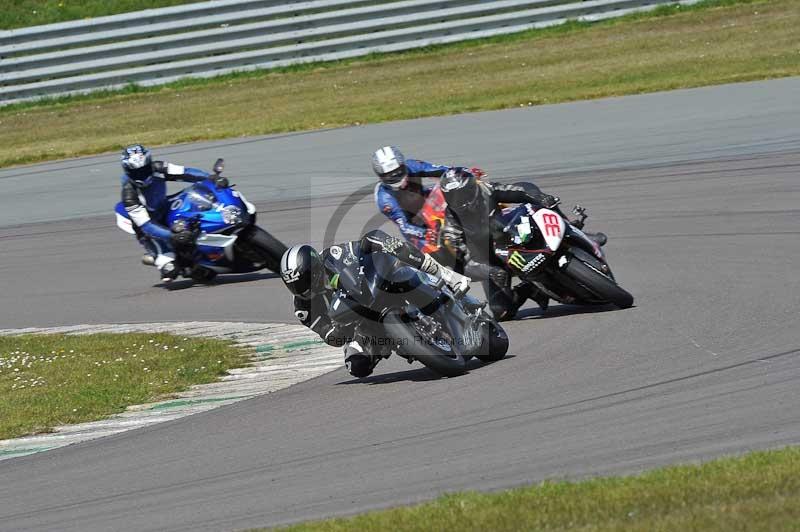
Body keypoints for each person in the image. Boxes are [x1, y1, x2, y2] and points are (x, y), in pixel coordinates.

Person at [280, 230, 471, 378]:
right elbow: (328, 334)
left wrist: (384, 244)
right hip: (359, 324)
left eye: (304, 282)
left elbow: (363, 249)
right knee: (356, 366)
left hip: (375, 289)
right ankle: (395, 343)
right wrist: (337, 332)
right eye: (295, 286)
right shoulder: (303, 308)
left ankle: (447, 276)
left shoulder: (334, 256)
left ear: (314, 269)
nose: (303, 290)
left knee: (394, 249)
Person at [440, 168, 607, 321]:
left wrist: (540, 198)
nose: (458, 200)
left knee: (543, 204)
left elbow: (516, 190)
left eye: (461, 194)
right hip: (492, 260)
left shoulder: (486, 190)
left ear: (471, 188)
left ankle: (576, 232)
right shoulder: (451, 221)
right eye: (452, 196)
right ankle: (530, 288)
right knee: (502, 313)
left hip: (508, 232)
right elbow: (459, 257)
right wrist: (486, 270)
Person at [118, 144, 217, 281]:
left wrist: (210, 178)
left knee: (196, 207)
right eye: (136, 173)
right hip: (150, 227)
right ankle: (158, 256)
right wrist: (172, 236)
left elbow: (186, 172)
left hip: (165, 207)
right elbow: (146, 225)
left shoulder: (158, 167)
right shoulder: (129, 195)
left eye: (144, 170)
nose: (141, 175)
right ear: (128, 171)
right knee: (170, 270)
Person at [371, 146, 485, 251]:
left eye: (398, 172)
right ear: (381, 176)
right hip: (417, 227)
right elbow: (404, 226)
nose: (396, 178)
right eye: (389, 176)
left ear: (403, 166)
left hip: (429, 202)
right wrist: (425, 233)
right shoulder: (384, 199)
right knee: (438, 258)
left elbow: (444, 170)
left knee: (455, 189)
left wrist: (467, 173)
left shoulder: (412, 166)